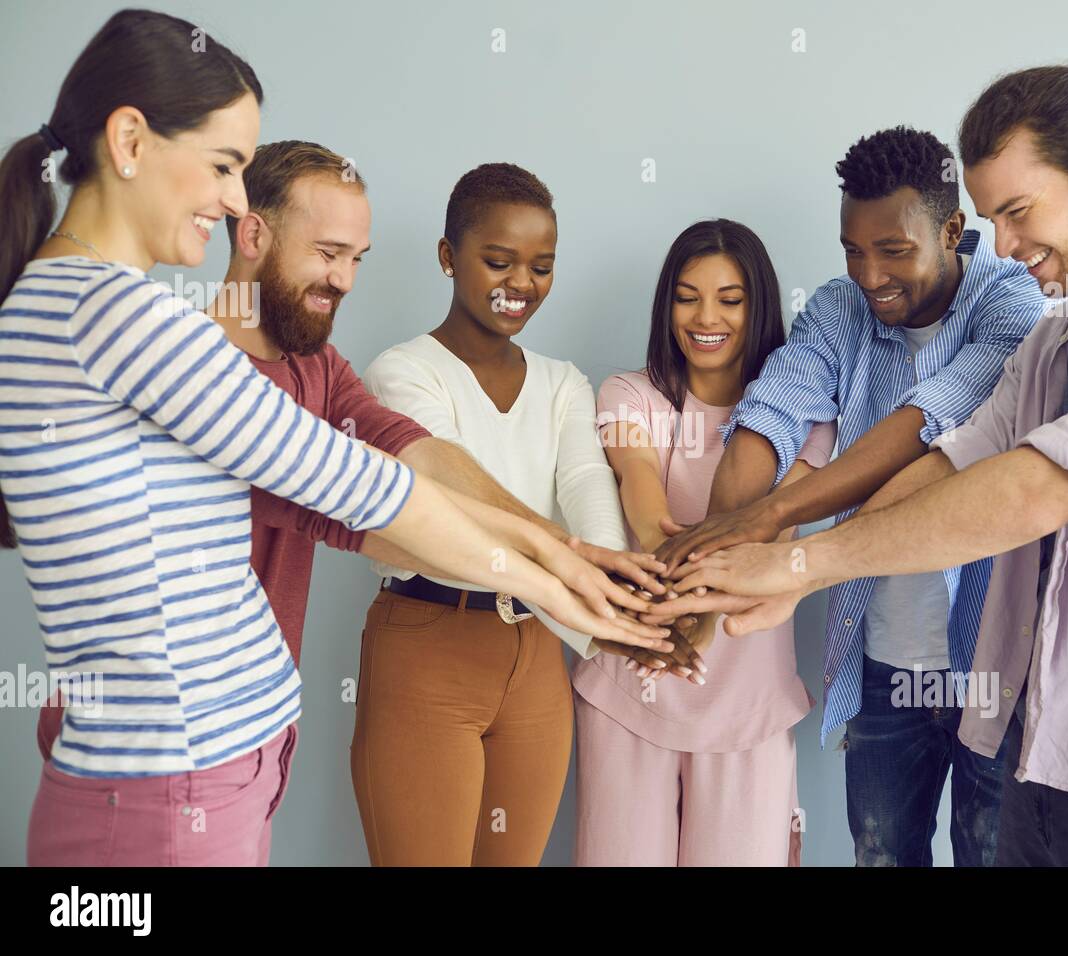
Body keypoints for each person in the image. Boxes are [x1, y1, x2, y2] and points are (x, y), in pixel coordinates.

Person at [0, 10, 668, 867]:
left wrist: (561, 561)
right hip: (170, 782)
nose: (233, 198)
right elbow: (362, 492)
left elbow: (405, 458)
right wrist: (566, 581)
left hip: (191, 773)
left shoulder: (65, 303)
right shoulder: (125, 316)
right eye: (220, 165)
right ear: (129, 140)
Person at [655, 61, 1068, 867]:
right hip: (1045, 751)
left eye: (1019, 212)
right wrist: (773, 567)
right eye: (995, 218)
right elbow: (948, 462)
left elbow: (1043, 485)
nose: (1006, 246)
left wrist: (796, 557)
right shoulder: (1056, 338)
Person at [654, 128, 1047, 865]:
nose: (870, 274)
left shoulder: (1014, 300)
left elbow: (930, 424)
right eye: (852, 250)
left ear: (952, 231)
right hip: (882, 668)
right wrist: (708, 574)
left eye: (893, 250)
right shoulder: (839, 309)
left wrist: (771, 516)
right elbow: (769, 416)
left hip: (995, 665)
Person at [349, 162, 666, 865]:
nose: (521, 283)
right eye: (499, 260)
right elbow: (450, 503)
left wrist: (617, 600)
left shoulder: (562, 383)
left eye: (541, 266)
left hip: (536, 653)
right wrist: (586, 586)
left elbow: (587, 485)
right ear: (447, 256)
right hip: (429, 643)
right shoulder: (401, 373)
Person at [572, 219, 835, 866]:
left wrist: (695, 564)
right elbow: (639, 487)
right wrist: (660, 529)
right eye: (687, 297)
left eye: (730, 299)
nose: (705, 317)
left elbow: (771, 523)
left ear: (759, 305)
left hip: (750, 702)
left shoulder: (808, 417)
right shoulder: (630, 394)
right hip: (634, 687)